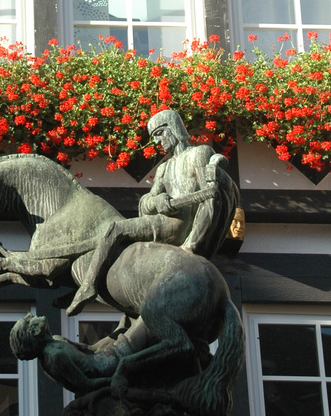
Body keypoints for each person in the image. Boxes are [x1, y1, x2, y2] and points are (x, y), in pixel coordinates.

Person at [66, 109, 239, 315]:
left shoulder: (198, 154)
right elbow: (146, 203)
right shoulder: (164, 168)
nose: (157, 142)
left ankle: (88, 287)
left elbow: (210, 200)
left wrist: (192, 245)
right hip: (163, 217)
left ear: (172, 129)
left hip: (177, 225)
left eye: (158, 134)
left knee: (114, 228)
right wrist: (160, 201)